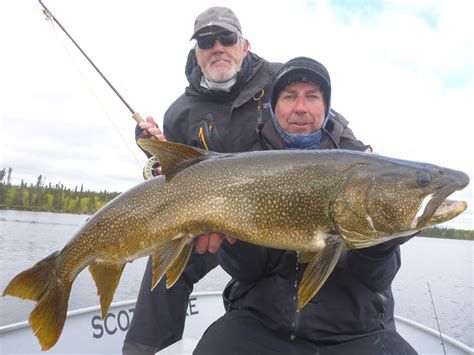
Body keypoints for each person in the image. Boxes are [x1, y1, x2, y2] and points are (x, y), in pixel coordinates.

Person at [123, 6, 367, 354]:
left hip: (271, 206)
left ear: (244, 45)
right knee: (164, 266)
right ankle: (144, 349)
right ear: (196, 52)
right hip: (208, 213)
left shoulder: (277, 79)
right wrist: (155, 153)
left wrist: (358, 150)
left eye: (227, 38)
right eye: (207, 41)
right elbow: (176, 175)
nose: (217, 47)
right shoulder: (180, 111)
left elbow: (319, 116)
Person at [192, 57, 417, 355]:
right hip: (261, 322)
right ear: (275, 108)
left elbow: (376, 279)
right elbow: (247, 273)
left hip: (357, 330)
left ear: (326, 108)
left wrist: (381, 245)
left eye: (312, 96)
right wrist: (232, 240)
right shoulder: (245, 166)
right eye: (289, 96)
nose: (301, 107)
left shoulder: (362, 167)